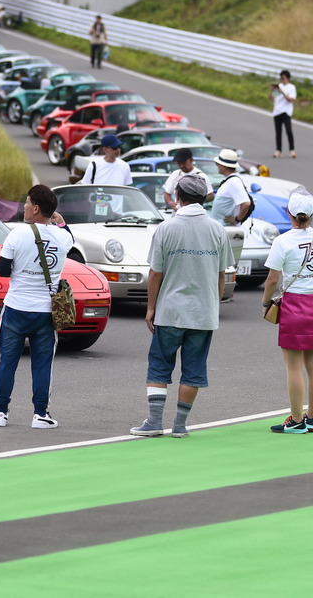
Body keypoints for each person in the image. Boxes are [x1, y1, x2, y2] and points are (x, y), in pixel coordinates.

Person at [130, 170, 229, 438]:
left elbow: (155, 273)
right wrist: (214, 304)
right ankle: (180, 425)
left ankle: (153, 422)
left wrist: (151, 308)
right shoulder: (217, 230)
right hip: (203, 312)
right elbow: (222, 274)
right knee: (193, 369)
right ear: (203, 198)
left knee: (160, 365)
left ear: (178, 196)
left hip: (170, 310)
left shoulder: (166, 228)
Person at [0, 185, 74, 429]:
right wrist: (59, 221)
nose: (24, 207)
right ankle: (40, 414)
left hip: (16, 307)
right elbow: (68, 233)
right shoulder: (63, 238)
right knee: (42, 363)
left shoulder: (17, 234)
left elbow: (2, 270)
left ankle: (1, 412)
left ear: (36, 208)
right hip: (45, 311)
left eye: (27, 203)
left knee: (8, 361)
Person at [261, 190, 313, 434]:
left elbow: (272, 278)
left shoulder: (282, 241)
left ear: (289, 212)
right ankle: (311, 418)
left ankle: (295, 420)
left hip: (294, 306)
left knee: (293, 367)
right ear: (311, 214)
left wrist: (265, 302)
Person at [210, 150, 252, 227]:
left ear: (224, 166)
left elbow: (246, 203)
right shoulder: (230, 181)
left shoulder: (234, 182)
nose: (217, 166)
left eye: (218, 164)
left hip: (226, 228)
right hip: (221, 227)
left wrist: (237, 219)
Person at [270, 69, 297, 158]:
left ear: (288, 78)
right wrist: (272, 91)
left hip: (286, 112)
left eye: (283, 78)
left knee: (289, 131)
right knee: (278, 132)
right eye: (281, 78)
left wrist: (283, 93)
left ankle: (292, 150)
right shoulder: (279, 86)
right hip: (277, 111)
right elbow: (271, 98)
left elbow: (291, 99)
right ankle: (278, 150)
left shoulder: (291, 87)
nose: (282, 80)